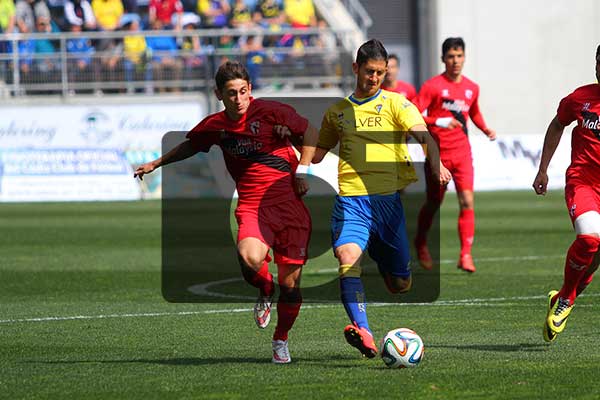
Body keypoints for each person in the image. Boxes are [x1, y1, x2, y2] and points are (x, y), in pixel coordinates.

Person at [134, 61, 319, 363]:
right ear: (219, 94)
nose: (238, 99)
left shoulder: (273, 112)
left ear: (250, 89)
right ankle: (264, 288)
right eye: (231, 93)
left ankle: (281, 340)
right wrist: (156, 163)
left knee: (291, 287)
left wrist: (303, 172)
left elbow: (310, 133)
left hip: (290, 207)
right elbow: (191, 146)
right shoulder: (217, 125)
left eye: (243, 91)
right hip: (252, 204)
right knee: (249, 259)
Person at [312, 39, 451, 358]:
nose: (375, 78)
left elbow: (424, 137)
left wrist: (436, 163)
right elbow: (318, 154)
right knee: (347, 259)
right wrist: (293, 142)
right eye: (370, 71)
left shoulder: (397, 104)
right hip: (352, 201)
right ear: (356, 68)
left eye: (380, 72)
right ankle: (365, 332)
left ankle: (380, 257)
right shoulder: (337, 112)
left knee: (400, 285)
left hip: (387, 205)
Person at [412, 37, 496, 273]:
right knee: (433, 203)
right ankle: (420, 242)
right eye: (451, 56)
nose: (455, 61)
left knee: (467, 201)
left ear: (464, 57)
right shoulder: (432, 86)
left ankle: (465, 255)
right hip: (436, 155)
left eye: (459, 56)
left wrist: (485, 128)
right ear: (443, 59)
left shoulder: (472, 87)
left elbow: (475, 113)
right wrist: (438, 120)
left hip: (462, 153)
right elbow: (414, 115)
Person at [534, 44, 600, 343]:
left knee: (596, 254)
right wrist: (543, 168)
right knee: (588, 238)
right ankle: (567, 299)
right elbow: (557, 124)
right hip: (582, 181)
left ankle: (562, 295)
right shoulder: (580, 98)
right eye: (599, 62)